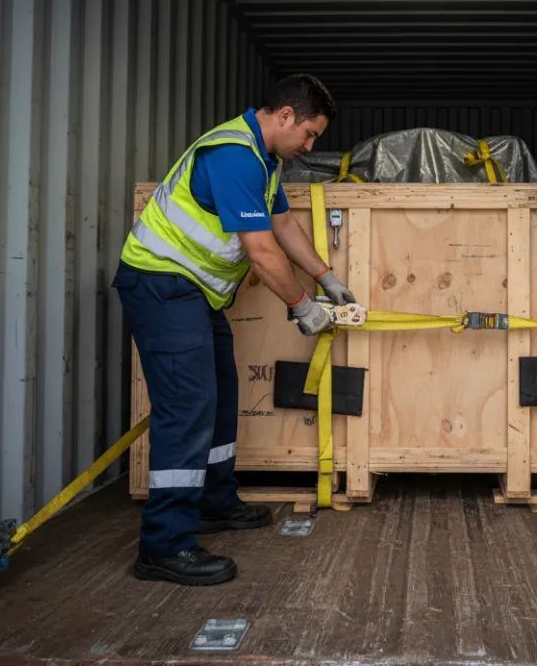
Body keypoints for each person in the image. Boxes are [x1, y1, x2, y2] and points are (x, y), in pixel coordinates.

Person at [112, 73, 356, 586]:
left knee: (221, 395)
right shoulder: (233, 154)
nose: (311, 145)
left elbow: (283, 225)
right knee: (187, 407)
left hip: (193, 294)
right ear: (286, 116)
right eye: (310, 134)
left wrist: (325, 277)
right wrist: (300, 306)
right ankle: (164, 545)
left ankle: (213, 502)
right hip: (160, 286)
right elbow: (260, 249)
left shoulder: (264, 161)